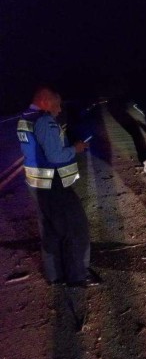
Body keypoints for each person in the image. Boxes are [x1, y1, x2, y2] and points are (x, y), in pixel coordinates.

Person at [16, 87, 100, 287]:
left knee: (50, 231)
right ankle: (79, 275)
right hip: (54, 184)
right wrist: (75, 148)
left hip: (37, 183)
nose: (60, 109)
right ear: (46, 101)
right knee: (75, 227)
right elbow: (56, 156)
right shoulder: (44, 121)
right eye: (57, 104)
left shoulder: (25, 118)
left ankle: (55, 275)